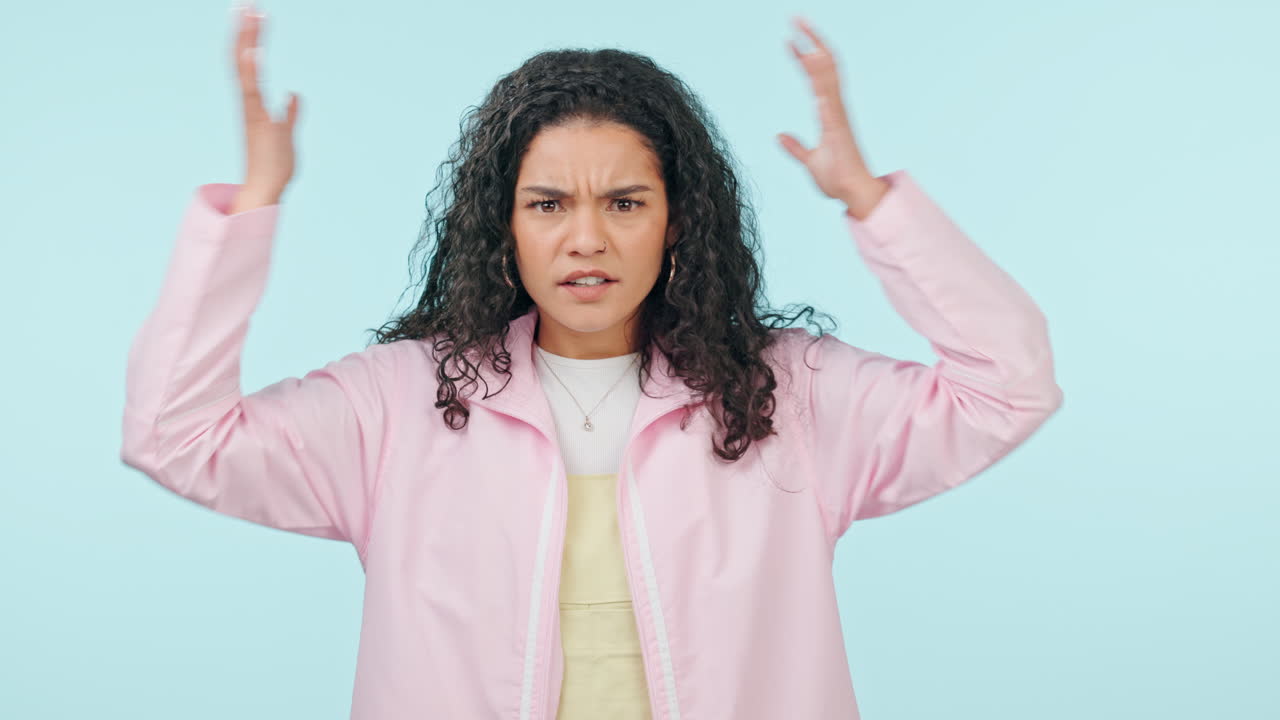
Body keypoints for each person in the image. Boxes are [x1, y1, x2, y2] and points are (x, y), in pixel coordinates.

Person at [119, 2, 1064, 718]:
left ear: (675, 220)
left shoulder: (785, 393)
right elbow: (175, 436)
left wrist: (871, 201)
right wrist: (247, 219)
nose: (585, 240)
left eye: (623, 202)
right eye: (546, 205)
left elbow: (1007, 388)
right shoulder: (401, 402)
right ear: (504, 226)